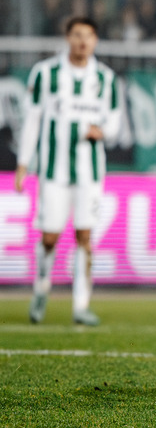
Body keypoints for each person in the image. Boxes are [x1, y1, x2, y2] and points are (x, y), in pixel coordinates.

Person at [15, 17, 121, 326]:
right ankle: (41, 288)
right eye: (77, 35)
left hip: (89, 173)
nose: (82, 41)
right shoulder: (46, 74)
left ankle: (80, 305)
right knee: (49, 237)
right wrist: (24, 165)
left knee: (85, 237)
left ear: (95, 40)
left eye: (88, 36)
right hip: (53, 171)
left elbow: (114, 122)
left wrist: (101, 131)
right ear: (67, 38)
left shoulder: (106, 78)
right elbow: (32, 120)